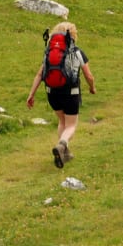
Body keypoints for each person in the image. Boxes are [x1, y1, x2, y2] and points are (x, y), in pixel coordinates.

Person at [26, 21, 96, 169]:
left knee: (62, 122)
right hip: (70, 92)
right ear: (73, 35)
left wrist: (31, 94)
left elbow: (39, 75)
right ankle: (62, 145)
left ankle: (65, 153)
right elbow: (89, 76)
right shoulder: (77, 52)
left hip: (52, 92)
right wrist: (92, 88)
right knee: (71, 125)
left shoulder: (49, 53)